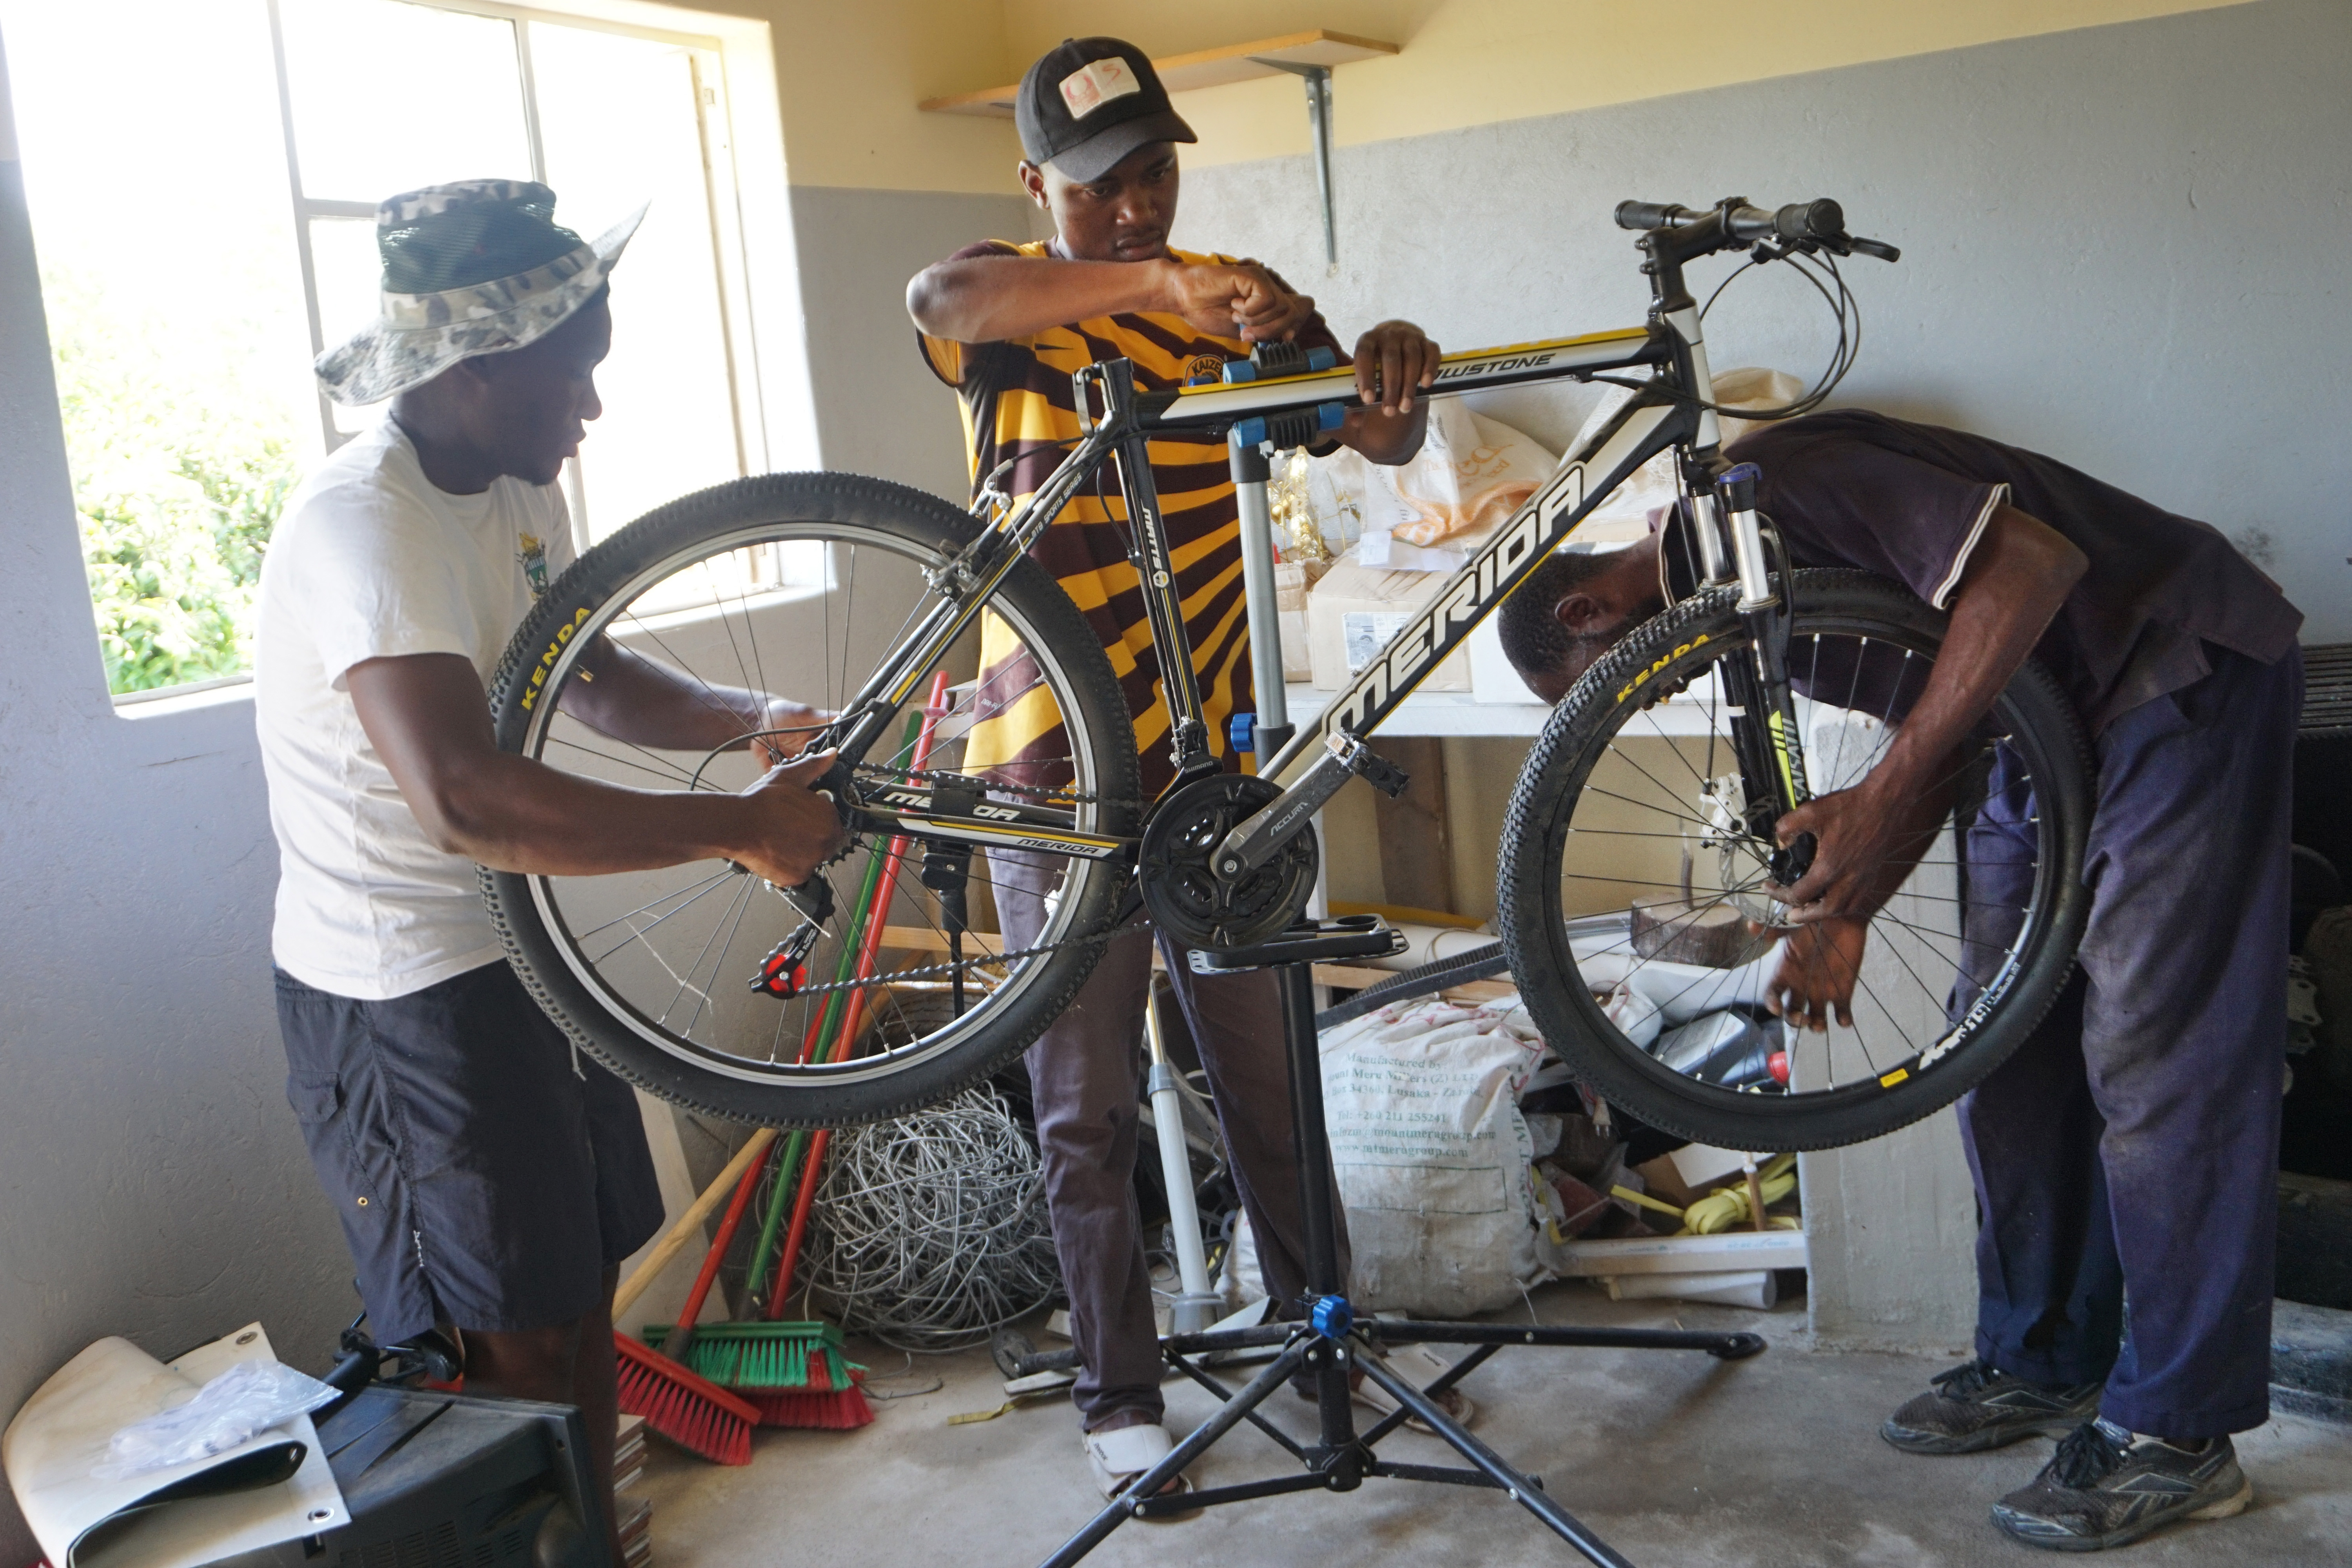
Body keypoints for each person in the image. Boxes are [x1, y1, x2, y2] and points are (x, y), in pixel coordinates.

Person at [1498, 407, 2303, 1553]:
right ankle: (2044, 1357)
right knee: (1998, 1037)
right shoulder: (1735, 624)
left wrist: (1877, 810)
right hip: (2043, 726)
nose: (1647, 701)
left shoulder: (1768, 491)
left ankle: (2181, 1435)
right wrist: (1845, 905)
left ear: (1588, 612)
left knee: (2160, 1064)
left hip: (2169, 678)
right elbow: (1944, 712)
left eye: (1601, 683)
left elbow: (2034, 566)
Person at [905, 37, 1459, 1506]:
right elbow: (937, 298)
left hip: (1218, 774)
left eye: (1154, 173)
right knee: (1081, 1114)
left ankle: (1320, 1352)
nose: (1138, 207)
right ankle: (1120, 1396)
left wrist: (1386, 362)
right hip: (1051, 781)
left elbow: (1369, 426)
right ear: (1037, 187)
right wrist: (1144, 282)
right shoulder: (1016, 305)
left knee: (1269, 1085)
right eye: (1100, 188)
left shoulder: (1230, 299)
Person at [256, 180, 842, 1552]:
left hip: (516, 957)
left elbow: (596, 679)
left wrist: (754, 723)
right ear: (472, 370)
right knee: (499, 1343)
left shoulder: (514, 491)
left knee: (577, 1287)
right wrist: (737, 827)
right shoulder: (369, 525)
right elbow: (465, 798)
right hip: (407, 996)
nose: (591, 407)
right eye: (572, 374)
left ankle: (593, 1542)